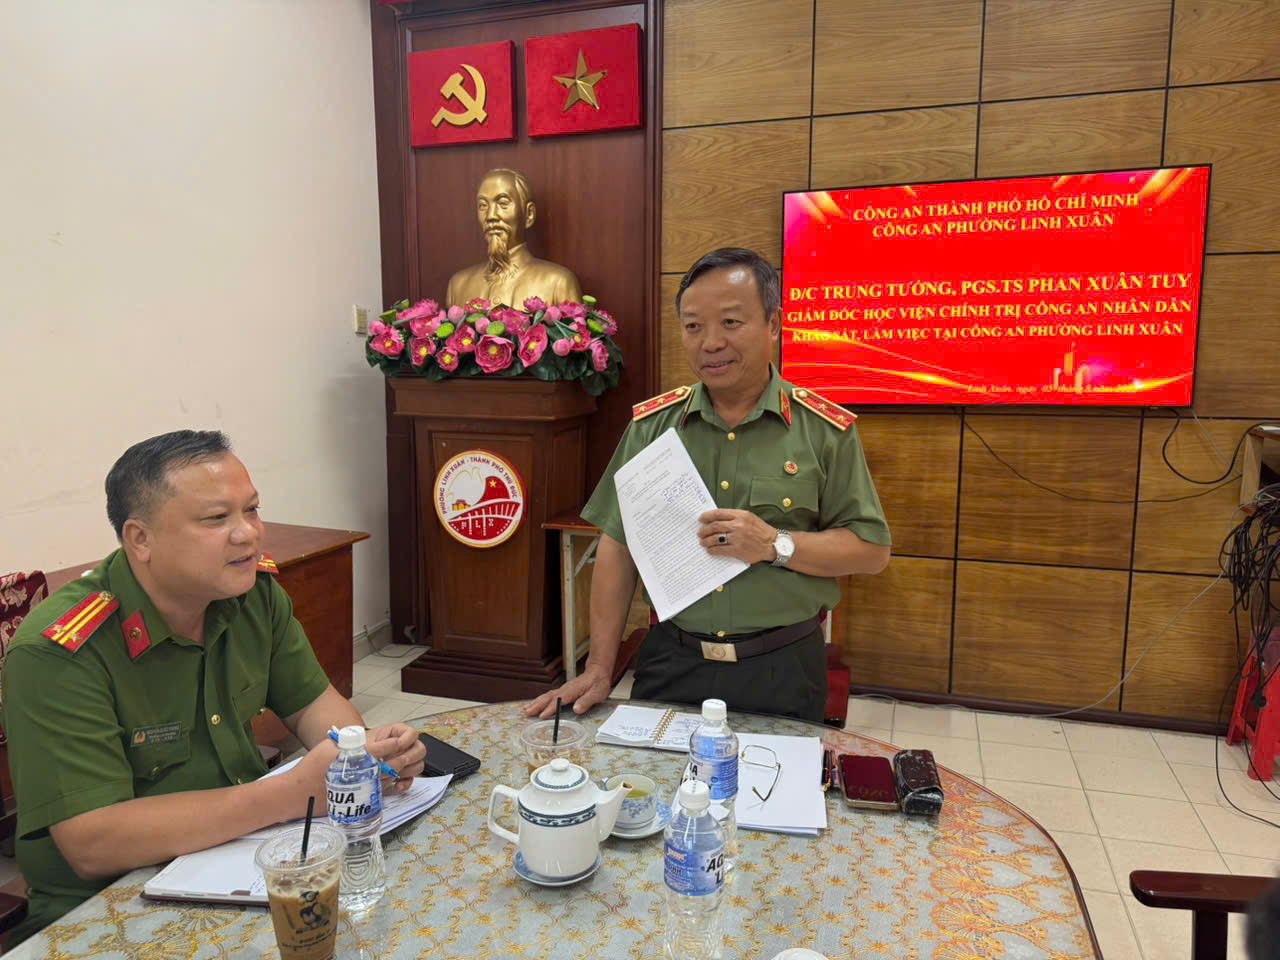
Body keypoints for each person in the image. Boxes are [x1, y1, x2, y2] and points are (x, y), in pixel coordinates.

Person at [1, 430, 427, 944]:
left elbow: (315, 705)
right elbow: (92, 842)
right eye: (216, 518)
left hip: (241, 859)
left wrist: (361, 757)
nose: (248, 534)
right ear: (140, 539)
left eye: (252, 510)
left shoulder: (252, 596)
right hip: (112, 907)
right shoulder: (60, 651)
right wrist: (291, 793)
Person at [527, 248, 891, 723]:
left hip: (782, 669)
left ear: (774, 324)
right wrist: (599, 667)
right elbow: (618, 544)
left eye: (731, 323)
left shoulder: (822, 430)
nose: (711, 343)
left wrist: (773, 544)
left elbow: (871, 550)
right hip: (672, 661)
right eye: (694, 326)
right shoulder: (653, 428)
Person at [444, 167, 583, 308]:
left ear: (529, 214)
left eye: (503, 203)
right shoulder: (458, 286)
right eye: (483, 205)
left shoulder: (558, 283)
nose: (490, 215)